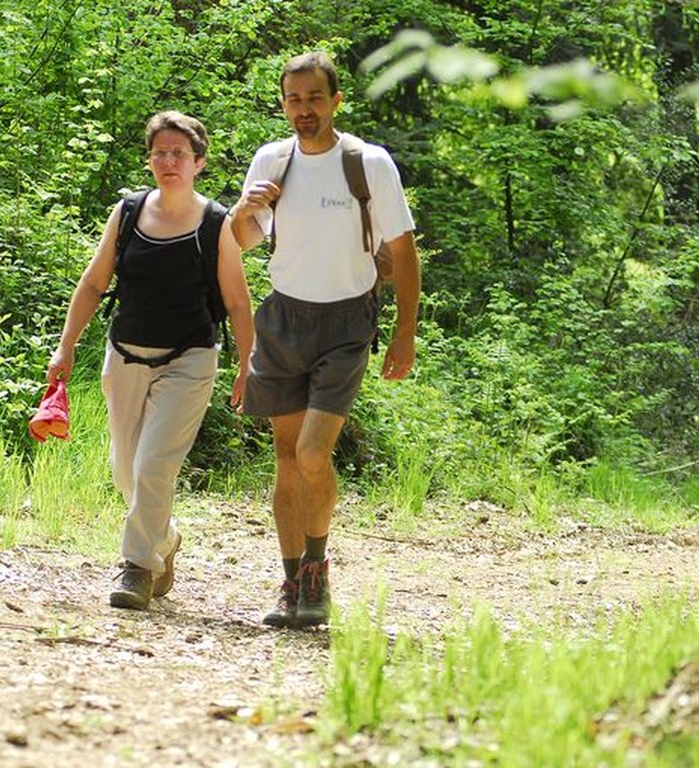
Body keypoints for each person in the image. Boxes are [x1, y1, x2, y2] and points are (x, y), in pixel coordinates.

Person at [231, 51, 420, 629]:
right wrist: (244, 209)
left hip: (346, 322)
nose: (304, 109)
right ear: (283, 104)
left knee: (313, 453)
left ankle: (318, 571)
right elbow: (240, 240)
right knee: (287, 459)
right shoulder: (272, 160)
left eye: (315, 98)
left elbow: (404, 251)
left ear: (336, 100)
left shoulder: (368, 163)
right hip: (283, 320)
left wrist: (404, 334)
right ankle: (293, 583)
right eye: (294, 99)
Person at [47, 111, 254, 610]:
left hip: (190, 359)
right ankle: (165, 538)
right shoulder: (127, 213)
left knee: (154, 464)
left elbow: (237, 301)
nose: (168, 161)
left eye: (179, 153)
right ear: (149, 160)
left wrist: (248, 365)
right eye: (160, 152)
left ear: (199, 162)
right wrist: (66, 345)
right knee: (127, 470)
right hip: (125, 355)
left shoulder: (216, 224)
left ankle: (137, 568)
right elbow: (94, 283)